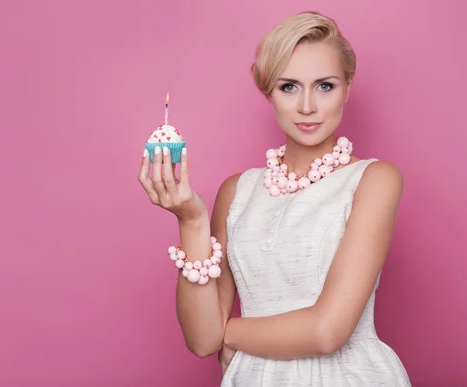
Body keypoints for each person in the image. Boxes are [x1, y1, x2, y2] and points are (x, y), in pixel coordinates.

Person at [138, 10, 411, 387]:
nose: (307, 106)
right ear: (268, 91)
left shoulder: (372, 180)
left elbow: (327, 332)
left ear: (347, 87)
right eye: (289, 87)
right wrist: (191, 220)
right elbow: (202, 340)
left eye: (325, 85)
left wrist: (228, 332)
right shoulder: (237, 192)